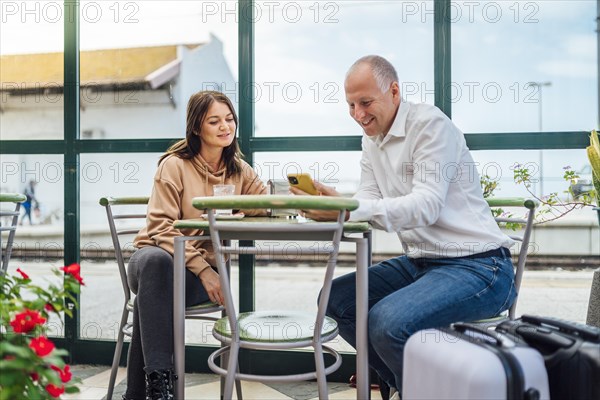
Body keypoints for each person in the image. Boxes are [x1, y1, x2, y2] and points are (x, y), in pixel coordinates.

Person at [290, 55, 516, 399]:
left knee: (386, 324)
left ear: (394, 91)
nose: (358, 114)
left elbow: (425, 206)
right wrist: (338, 205)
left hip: (480, 266)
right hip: (422, 263)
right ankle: (401, 384)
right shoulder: (373, 139)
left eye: (365, 102)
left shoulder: (429, 125)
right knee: (335, 300)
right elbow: (367, 196)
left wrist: (351, 210)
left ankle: (422, 389)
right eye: (350, 104)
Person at [124, 91, 267, 400]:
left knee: (153, 298)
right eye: (214, 121)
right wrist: (204, 270)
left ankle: (145, 391)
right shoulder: (173, 166)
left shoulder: (240, 171)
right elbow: (161, 228)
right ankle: (161, 386)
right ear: (196, 128)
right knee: (157, 267)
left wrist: (243, 209)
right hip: (152, 259)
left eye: (229, 119)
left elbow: (265, 204)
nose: (224, 127)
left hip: (186, 278)